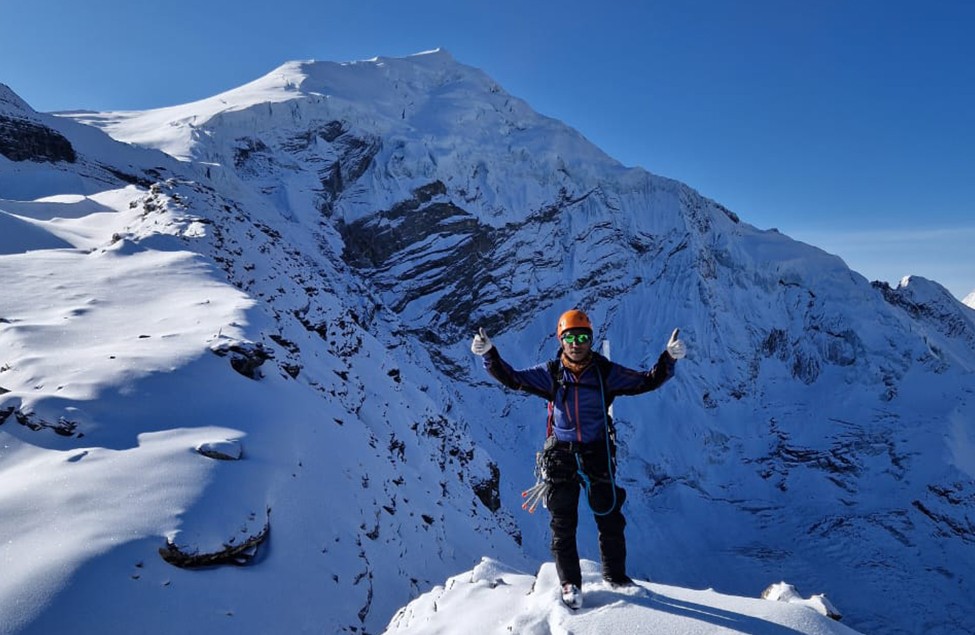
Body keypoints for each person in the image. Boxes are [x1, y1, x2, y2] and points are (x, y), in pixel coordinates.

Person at [470, 309, 685, 609]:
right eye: (570, 337)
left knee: (609, 515)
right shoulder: (551, 374)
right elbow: (514, 379)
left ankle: (616, 577)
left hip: (597, 451)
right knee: (563, 522)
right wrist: (490, 356)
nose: (576, 343)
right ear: (561, 339)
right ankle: (570, 583)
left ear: (591, 340)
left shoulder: (604, 372)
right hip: (561, 455)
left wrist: (668, 360)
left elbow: (644, 382)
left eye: (582, 337)